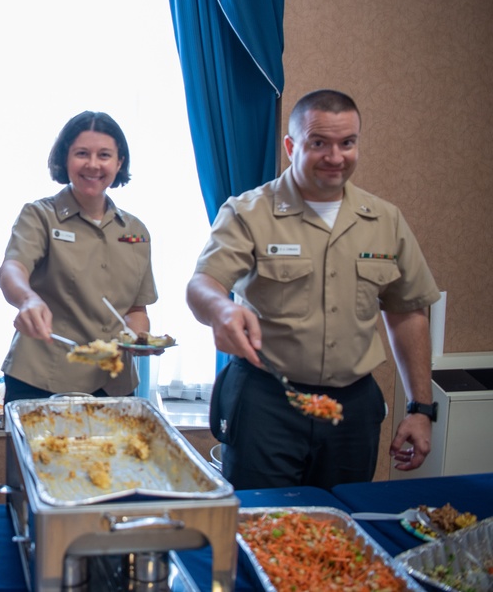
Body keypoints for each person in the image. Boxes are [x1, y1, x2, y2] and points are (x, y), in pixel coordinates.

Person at [186, 89, 440, 490]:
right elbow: (203, 285)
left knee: (339, 525)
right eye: (319, 143)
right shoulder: (247, 212)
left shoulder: (385, 219)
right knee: (261, 524)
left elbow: (407, 312)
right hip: (267, 403)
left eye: (347, 143)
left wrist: (420, 407)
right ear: (291, 146)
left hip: (351, 410)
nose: (335, 157)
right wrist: (222, 309)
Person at [0, 111, 158, 403]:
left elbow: (136, 310)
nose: (93, 164)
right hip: (42, 380)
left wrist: (138, 340)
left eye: (104, 155)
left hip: (114, 385)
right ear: (65, 159)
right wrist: (27, 300)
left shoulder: (136, 231)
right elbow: (12, 270)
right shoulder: (39, 216)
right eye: (82, 153)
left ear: (119, 162)